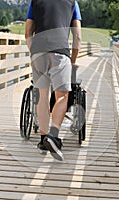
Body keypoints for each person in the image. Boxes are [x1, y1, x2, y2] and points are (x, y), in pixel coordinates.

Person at [25, 0, 82, 161]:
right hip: (59, 52)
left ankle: (44, 139)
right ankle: (53, 135)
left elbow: (28, 32)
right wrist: (72, 60)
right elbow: (77, 36)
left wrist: (33, 52)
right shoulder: (72, 2)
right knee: (62, 96)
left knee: (42, 96)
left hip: (38, 52)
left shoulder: (35, 1)